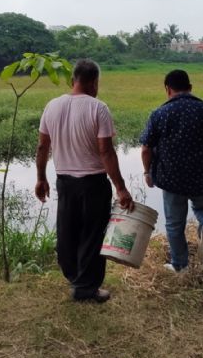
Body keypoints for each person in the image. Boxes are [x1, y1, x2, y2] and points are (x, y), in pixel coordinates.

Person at [35, 59, 134, 303]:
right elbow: (106, 152)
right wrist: (121, 187)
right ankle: (86, 288)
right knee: (93, 234)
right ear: (94, 82)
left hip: (65, 181)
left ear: (73, 81)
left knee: (68, 231)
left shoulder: (52, 106)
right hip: (93, 183)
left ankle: (75, 278)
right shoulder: (98, 108)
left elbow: (42, 146)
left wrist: (40, 178)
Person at [139, 69, 203, 272]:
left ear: (167, 89)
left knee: (174, 224)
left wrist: (147, 172)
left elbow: (146, 148)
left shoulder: (159, 114)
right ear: (190, 88)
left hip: (172, 178)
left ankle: (180, 265)